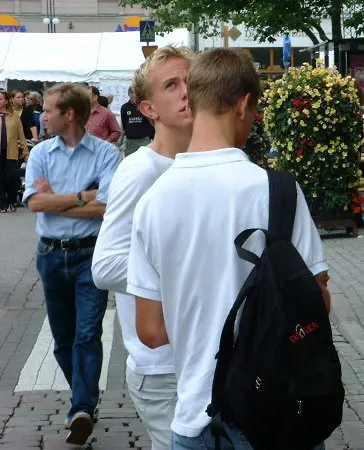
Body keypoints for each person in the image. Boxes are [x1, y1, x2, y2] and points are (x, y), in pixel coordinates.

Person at [126, 48, 331, 450]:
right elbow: (317, 302)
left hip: (194, 422)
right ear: (243, 105)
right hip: (276, 417)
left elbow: (149, 331)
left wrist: (199, 319)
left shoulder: (152, 201)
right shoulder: (278, 191)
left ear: (194, 100)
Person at [92, 46, 193, 450]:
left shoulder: (197, 161)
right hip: (163, 364)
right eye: (172, 85)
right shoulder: (142, 169)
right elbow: (106, 266)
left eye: (189, 80)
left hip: (195, 356)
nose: (186, 92)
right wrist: (187, 264)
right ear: (149, 109)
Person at [23, 83, 120, 446]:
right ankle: (84, 396)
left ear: (70, 114)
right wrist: (84, 195)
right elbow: (33, 204)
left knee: (86, 334)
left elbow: (108, 207)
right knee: (63, 341)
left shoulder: (107, 155)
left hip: (90, 253)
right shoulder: (41, 154)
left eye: (48, 111)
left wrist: (55, 199)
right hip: (50, 253)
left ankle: (81, 406)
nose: (42, 117)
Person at [0, 90, 27, 213]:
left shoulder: (14, 116)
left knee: (11, 177)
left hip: (11, 151)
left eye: (0, 99)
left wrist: (26, 153)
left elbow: (21, 136)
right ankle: (2, 204)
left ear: (6, 101)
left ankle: (12, 200)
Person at [120, 86, 155, 157]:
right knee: (130, 160)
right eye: (132, 97)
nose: (134, 99)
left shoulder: (145, 106)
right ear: (129, 95)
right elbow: (124, 124)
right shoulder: (125, 107)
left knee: (145, 159)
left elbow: (152, 122)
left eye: (135, 97)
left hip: (143, 140)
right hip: (130, 141)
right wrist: (121, 139)